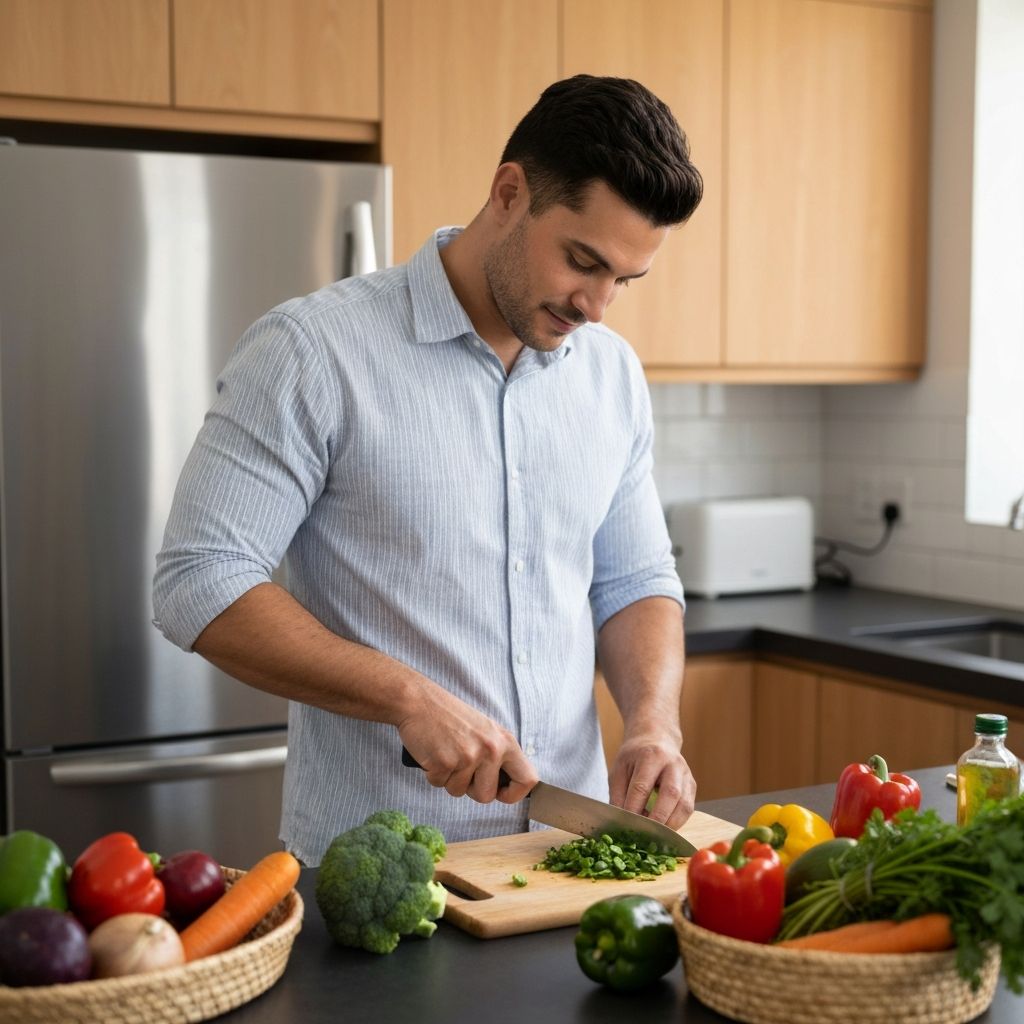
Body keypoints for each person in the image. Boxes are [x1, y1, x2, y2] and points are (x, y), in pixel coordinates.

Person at [153, 74, 703, 867]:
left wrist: (654, 722)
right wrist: (405, 698)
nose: (597, 305)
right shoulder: (314, 352)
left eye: (624, 279)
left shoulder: (611, 375)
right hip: (380, 868)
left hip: (568, 858)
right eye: (583, 261)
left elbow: (635, 579)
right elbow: (198, 580)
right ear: (509, 193)